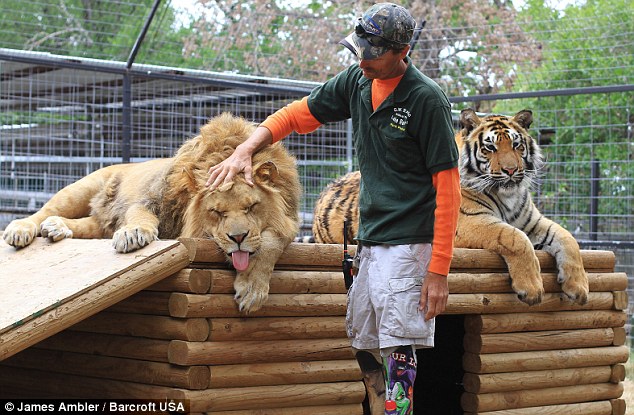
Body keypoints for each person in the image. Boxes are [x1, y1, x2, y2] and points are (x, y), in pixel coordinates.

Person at [206, 3, 461, 414]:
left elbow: (448, 188)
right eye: (359, 48)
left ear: (402, 51)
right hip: (370, 239)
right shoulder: (358, 80)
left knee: (398, 344)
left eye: (373, 52)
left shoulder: (425, 99)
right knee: (362, 339)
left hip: (410, 244)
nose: (362, 59)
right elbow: (297, 114)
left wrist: (438, 271)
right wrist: (245, 149)